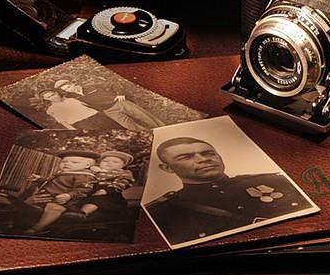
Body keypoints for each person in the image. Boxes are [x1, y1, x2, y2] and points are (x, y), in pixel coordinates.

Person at [145, 137, 312, 245]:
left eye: (208, 153)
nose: (203, 159)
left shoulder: (276, 181)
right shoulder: (163, 212)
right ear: (167, 168)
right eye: (186, 157)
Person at [22, 150, 101, 234]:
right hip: (47, 197)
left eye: (74, 162)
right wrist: (39, 179)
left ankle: (38, 228)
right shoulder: (63, 173)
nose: (67, 164)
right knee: (31, 208)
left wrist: (69, 195)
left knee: (54, 208)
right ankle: (24, 224)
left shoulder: (84, 176)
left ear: (87, 165)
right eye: (64, 161)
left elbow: (83, 190)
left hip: (64, 202)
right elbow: (52, 183)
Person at [53, 79, 165, 131]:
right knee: (130, 126)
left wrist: (120, 93)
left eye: (68, 86)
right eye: (66, 89)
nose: (69, 89)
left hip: (120, 103)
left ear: (72, 83)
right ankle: (152, 135)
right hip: (109, 111)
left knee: (145, 117)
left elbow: (114, 83)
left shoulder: (92, 85)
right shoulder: (73, 97)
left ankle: (164, 129)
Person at [70, 150, 136, 221]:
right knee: (78, 197)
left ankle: (82, 213)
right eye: (105, 161)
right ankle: (71, 210)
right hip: (90, 190)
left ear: (123, 165)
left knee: (98, 200)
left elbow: (124, 181)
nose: (109, 163)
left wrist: (107, 190)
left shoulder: (123, 172)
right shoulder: (94, 171)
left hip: (109, 193)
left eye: (115, 162)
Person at [36, 89, 123, 130]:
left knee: (118, 129)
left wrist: (103, 114)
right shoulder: (52, 109)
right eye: (49, 97)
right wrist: (74, 131)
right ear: (46, 99)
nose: (53, 97)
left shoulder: (71, 99)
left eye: (53, 94)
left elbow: (90, 106)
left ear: (56, 93)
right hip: (84, 124)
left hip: (98, 117)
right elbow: (63, 122)